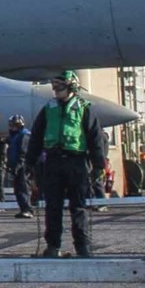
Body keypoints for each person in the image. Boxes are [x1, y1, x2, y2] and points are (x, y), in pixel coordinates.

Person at [28, 71, 108, 258]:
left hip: (76, 162)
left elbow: (95, 139)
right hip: (53, 162)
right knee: (52, 206)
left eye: (60, 86)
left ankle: (82, 247)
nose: (56, 90)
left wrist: (98, 166)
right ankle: (53, 246)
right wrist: (30, 162)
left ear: (72, 86)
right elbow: (36, 137)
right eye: (54, 87)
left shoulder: (84, 109)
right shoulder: (48, 109)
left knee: (78, 206)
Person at [3, 116, 33, 218]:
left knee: (23, 187)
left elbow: (23, 153)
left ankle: (27, 209)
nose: (12, 127)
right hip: (15, 165)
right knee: (17, 189)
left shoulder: (24, 136)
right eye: (11, 125)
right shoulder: (14, 136)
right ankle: (23, 208)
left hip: (22, 166)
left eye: (15, 125)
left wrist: (18, 165)